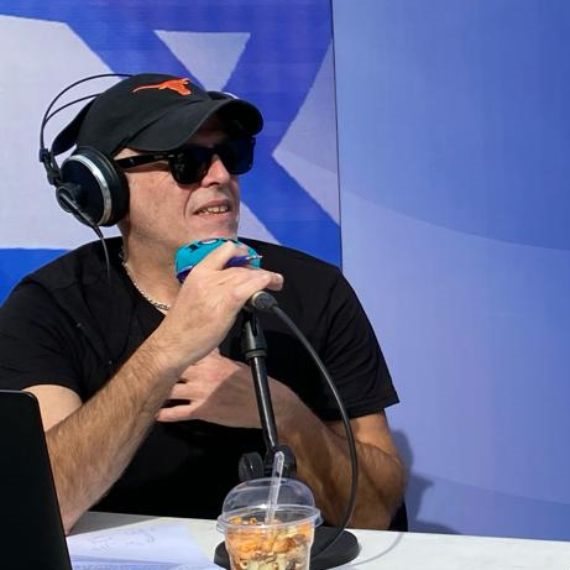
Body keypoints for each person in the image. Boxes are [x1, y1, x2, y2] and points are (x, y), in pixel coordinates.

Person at [0, 73, 406, 534]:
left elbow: (374, 512)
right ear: (104, 187)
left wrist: (282, 411)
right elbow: (42, 507)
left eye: (232, 155)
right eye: (186, 161)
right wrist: (168, 351)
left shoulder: (315, 290)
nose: (220, 177)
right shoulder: (51, 307)